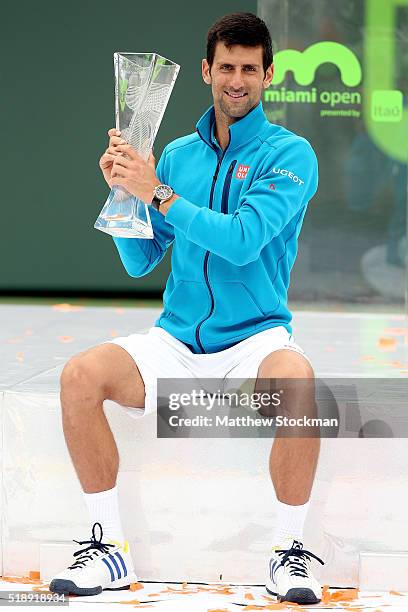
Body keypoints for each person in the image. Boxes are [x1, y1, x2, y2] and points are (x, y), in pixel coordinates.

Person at [50, 12, 324, 605]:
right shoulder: (174, 154)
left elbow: (244, 240)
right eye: (226, 66)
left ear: (268, 75)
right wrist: (124, 191)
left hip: (255, 341)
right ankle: (107, 548)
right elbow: (141, 261)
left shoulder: (291, 154)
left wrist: (159, 193)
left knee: (298, 382)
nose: (237, 79)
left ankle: (290, 553)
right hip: (174, 341)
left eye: (249, 69)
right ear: (206, 71)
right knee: (79, 376)